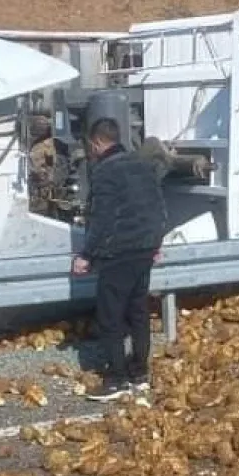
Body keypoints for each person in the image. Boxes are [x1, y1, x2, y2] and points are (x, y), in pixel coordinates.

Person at [72, 118, 168, 402]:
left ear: (96, 143)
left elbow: (101, 219)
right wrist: (155, 243)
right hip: (145, 250)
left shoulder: (104, 172)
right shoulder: (143, 165)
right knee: (138, 311)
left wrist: (86, 255)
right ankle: (139, 373)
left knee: (110, 317)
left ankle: (116, 380)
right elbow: (159, 207)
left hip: (119, 253)